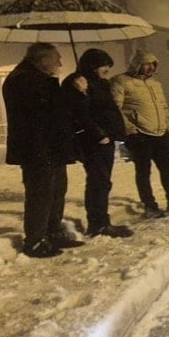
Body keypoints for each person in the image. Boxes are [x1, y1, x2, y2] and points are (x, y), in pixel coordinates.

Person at [2, 42, 85, 258]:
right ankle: (35, 240)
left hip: (49, 147)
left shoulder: (33, 78)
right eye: (57, 59)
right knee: (41, 195)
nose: (60, 64)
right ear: (44, 60)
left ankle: (52, 232)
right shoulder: (25, 80)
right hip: (38, 149)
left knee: (56, 191)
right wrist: (72, 89)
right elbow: (51, 110)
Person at [111, 49, 169, 218]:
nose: (150, 68)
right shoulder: (121, 81)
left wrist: (166, 123)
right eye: (146, 64)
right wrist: (130, 129)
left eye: (153, 64)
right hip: (139, 133)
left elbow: (163, 106)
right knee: (144, 171)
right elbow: (115, 108)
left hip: (159, 132)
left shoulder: (155, 84)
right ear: (137, 64)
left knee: (167, 167)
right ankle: (149, 205)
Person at [62, 48, 133, 238]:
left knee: (102, 182)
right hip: (93, 141)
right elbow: (80, 114)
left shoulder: (100, 83)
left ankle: (102, 221)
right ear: (92, 65)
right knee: (98, 182)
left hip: (106, 139)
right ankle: (98, 224)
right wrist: (99, 135)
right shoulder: (77, 82)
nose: (107, 69)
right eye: (104, 65)